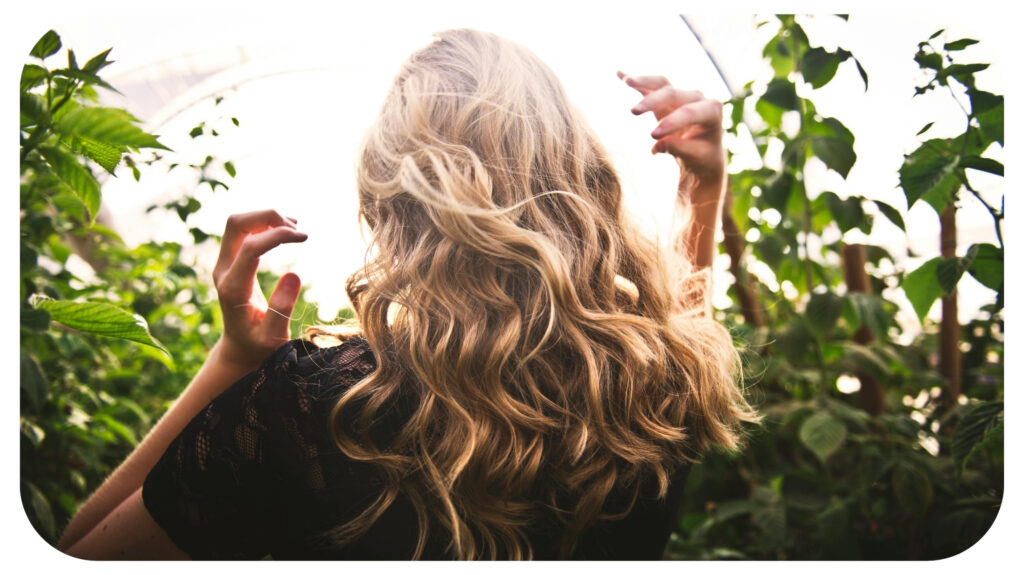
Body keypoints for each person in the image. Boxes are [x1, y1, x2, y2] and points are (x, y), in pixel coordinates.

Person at [56, 29, 758, 560]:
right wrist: (702, 188)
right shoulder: (660, 388)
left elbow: (79, 551)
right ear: (577, 171)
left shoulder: (314, 410)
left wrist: (234, 361)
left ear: (392, 199)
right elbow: (683, 326)